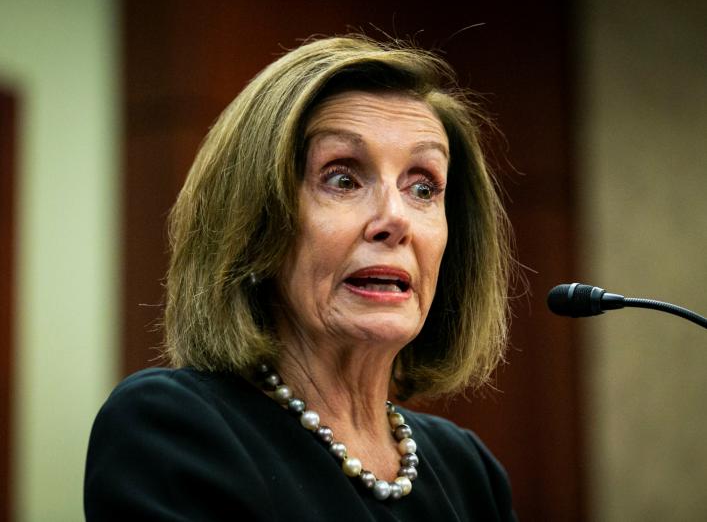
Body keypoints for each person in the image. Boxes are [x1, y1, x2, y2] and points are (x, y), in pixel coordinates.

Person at [84, 35, 516, 521]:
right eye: (343, 178)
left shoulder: (469, 471)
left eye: (422, 187)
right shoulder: (172, 428)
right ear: (254, 222)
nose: (396, 220)